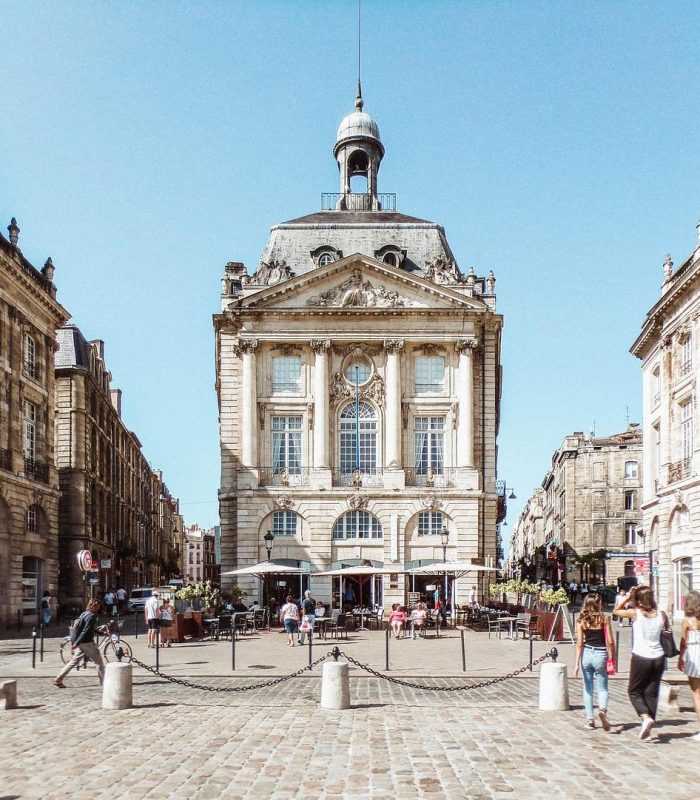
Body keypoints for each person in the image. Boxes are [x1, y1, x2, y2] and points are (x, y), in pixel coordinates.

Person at [613, 585, 666, 740]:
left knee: (634, 691)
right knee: (651, 692)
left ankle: (645, 717)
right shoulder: (661, 615)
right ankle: (648, 725)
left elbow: (616, 610)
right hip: (659, 657)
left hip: (641, 656)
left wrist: (629, 598)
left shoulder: (635, 613)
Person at [574, 593, 615, 731]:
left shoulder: (581, 621)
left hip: (586, 653)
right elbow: (610, 641)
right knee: (602, 687)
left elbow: (579, 643)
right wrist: (612, 656)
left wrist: (576, 665)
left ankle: (590, 720)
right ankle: (602, 710)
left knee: (588, 688)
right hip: (601, 654)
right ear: (598, 604)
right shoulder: (604, 619)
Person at [54, 599, 105, 687]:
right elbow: (86, 630)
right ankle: (104, 682)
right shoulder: (92, 616)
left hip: (81, 643)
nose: (99, 608)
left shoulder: (84, 614)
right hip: (87, 643)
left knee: (73, 662)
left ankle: (58, 679)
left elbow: (87, 628)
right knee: (99, 662)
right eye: (98, 606)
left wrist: (101, 633)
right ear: (95, 606)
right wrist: (76, 643)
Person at [678, 589, 700, 741]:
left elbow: (683, 642)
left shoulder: (687, 620)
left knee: (696, 694)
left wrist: (680, 658)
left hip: (694, 653)